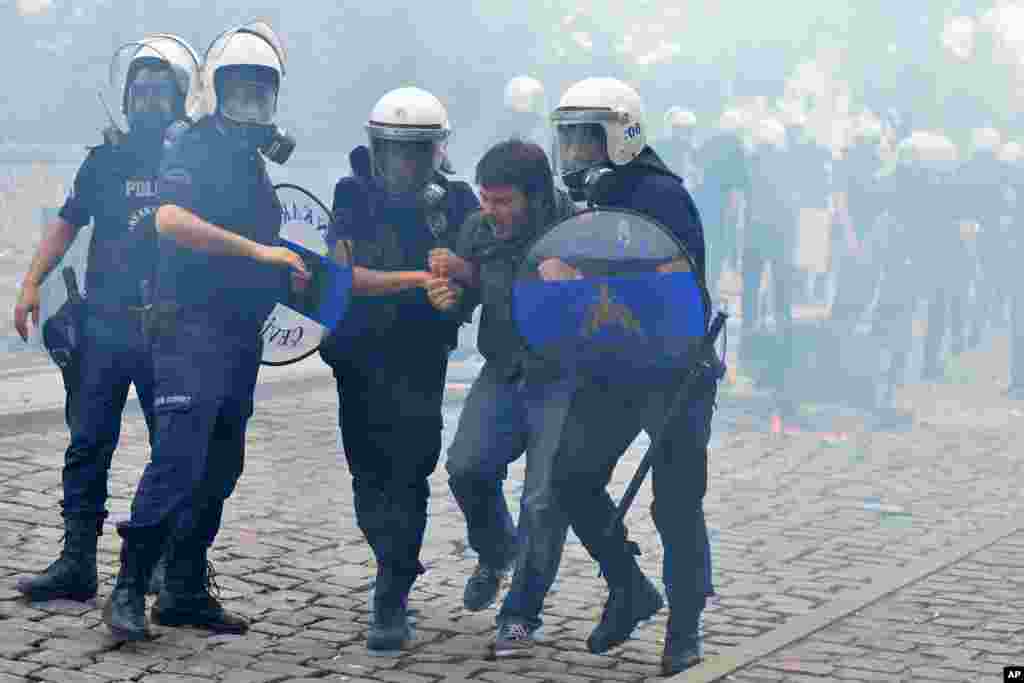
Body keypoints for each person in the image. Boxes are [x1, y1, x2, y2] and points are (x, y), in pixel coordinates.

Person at [102, 21, 307, 641]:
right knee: (179, 457)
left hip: (239, 333)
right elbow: (169, 219)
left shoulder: (251, 162)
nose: (251, 103)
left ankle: (185, 587)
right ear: (213, 91)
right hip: (190, 327)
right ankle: (131, 586)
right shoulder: (193, 146)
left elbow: (272, 244)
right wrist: (258, 253)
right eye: (239, 89)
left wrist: (290, 273)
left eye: (260, 91)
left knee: (222, 463)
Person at [13, 33, 200, 603]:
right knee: (88, 442)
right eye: (138, 93)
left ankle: (168, 563)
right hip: (105, 325)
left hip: (167, 329)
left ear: (178, 98)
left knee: (172, 450)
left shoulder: (192, 160)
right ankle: (76, 563)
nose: (148, 102)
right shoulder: (105, 161)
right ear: (124, 98)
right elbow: (69, 222)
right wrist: (29, 281)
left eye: (159, 92)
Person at [543, 77, 718, 676]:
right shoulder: (600, 194)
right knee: (571, 476)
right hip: (615, 367)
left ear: (621, 135)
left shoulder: (660, 195)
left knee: (675, 503)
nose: (575, 156)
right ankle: (629, 586)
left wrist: (587, 277)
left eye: (586, 141)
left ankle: (686, 626)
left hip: (675, 369)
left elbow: (667, 279)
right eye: (569, 142)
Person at [319, 86, 480, 653]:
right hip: (359, 355)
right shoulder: (351, 193)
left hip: (419, 359)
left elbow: (476, 276)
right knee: (368, 477)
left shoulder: (457, 202)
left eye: (418, 152)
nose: (406, 164)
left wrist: (455, 293)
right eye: (396, 151)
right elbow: (346, 275)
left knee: (410, 472)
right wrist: (419, 281)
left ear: (437, 151)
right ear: (377, 148)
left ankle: (392, 590)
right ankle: (392, 561)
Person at [425, 139, 576, 657]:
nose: (492, 211)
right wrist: (448, 297)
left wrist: (576, 281)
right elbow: (464, 300)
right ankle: (496, 551)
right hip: (503, 367)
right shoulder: (477, 228)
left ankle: (520, 615)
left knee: (542, 499)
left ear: (534, 196)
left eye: (504, 202)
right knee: (466, 466)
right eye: (486, 199)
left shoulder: (575, 230)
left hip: (563, 379)